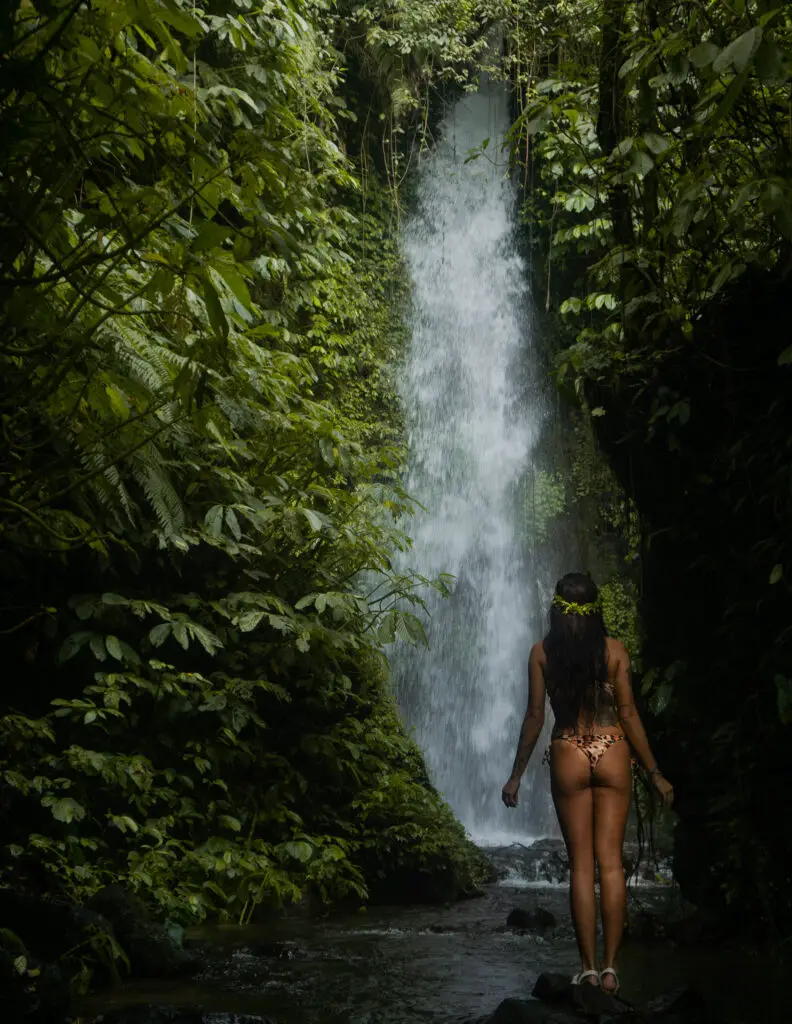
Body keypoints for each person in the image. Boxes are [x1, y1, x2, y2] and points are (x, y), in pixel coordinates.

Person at [501, 572, 673, 994]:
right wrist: (654, 772)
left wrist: (516, 774)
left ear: (557, 609)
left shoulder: (542, 653)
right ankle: (612, 968)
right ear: (596, 608)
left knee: (581, 867)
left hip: (569, 750)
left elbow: (535, 717)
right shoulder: (614, 651)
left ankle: (588, 968)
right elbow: (629, 715)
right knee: (610, 865)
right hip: (612, 747)